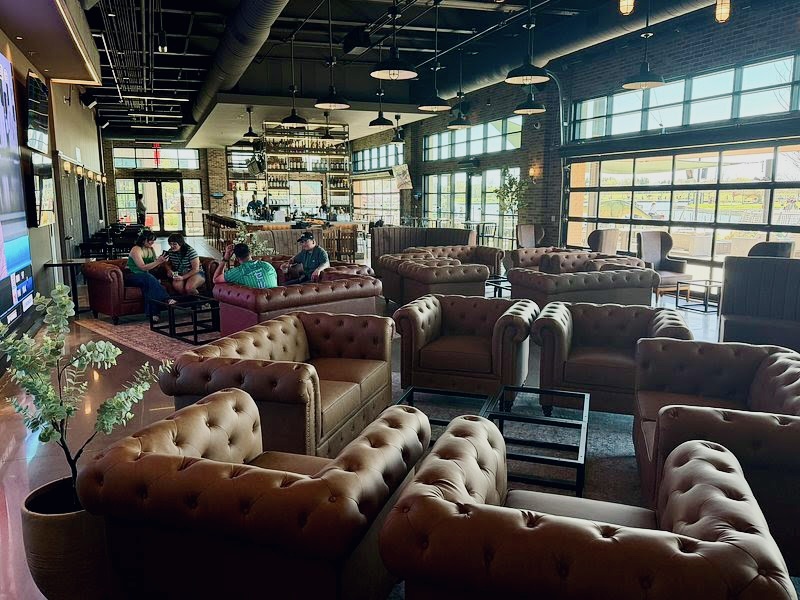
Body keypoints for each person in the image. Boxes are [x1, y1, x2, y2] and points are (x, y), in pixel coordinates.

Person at [126, 231, 174, 321]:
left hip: (146, 276)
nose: (152, 243)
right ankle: (166, 299)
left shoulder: (150, 249)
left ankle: (153, 315)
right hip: (132, 275)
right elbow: (143, 268)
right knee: (149, 278)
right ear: (144, 240)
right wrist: (157, 262)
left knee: (149, 286)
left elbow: (153, 265)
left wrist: (161, 260)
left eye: (153, 241)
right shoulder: (136, 249)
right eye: (150, 241)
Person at [213, 243, 277, 289]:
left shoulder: (238, 272)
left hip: (253, 306)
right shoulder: (267, 265)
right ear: (250, 253)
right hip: (275, 304)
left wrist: (225, 259)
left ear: (237, 259)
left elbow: (216, 279)